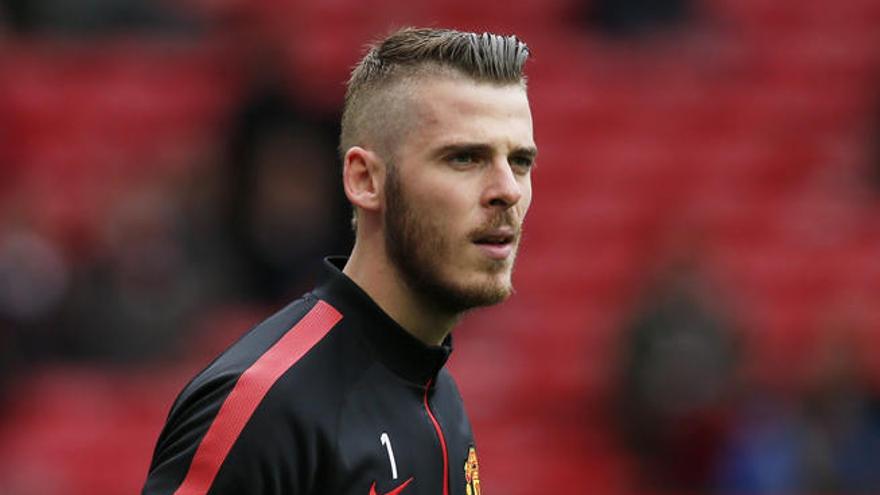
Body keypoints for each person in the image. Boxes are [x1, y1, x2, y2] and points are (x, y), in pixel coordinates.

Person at [142, 27, 536, 495]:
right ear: (365, 179)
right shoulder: (265, 406)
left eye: (520, 161)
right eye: (464, 158)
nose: (507, 190)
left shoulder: (441, 401)